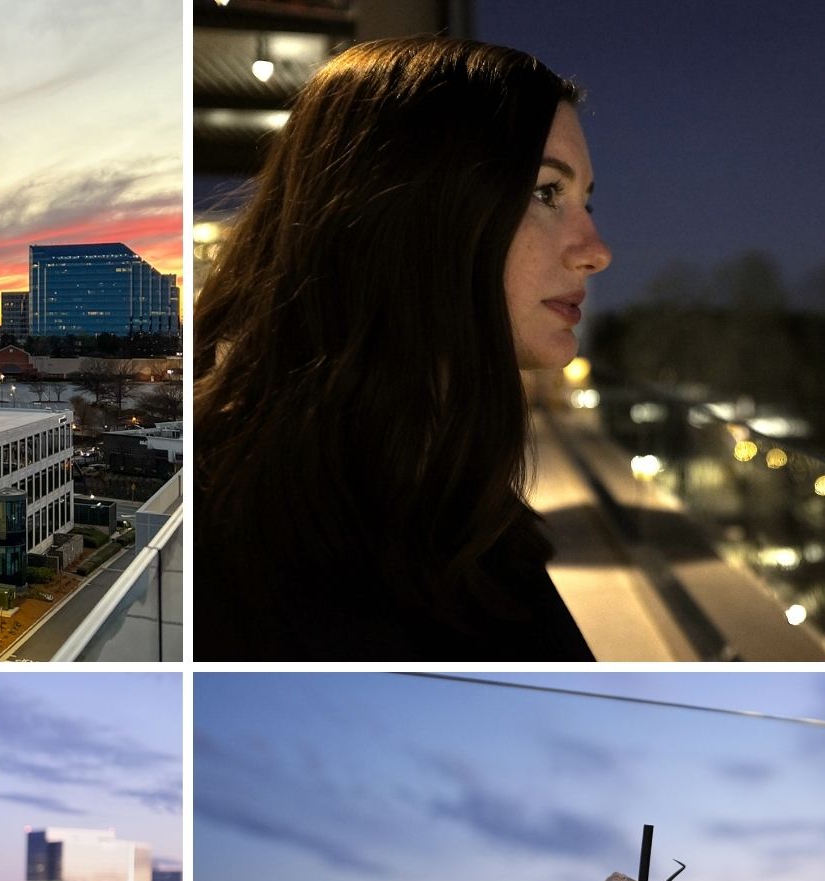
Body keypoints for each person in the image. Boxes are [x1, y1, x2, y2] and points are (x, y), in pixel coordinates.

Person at [195, 37, 612, 661]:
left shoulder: (444, 490)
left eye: (586, 200)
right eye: (545, 192)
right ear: (414, 207)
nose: (596, 248)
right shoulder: (231, 542)